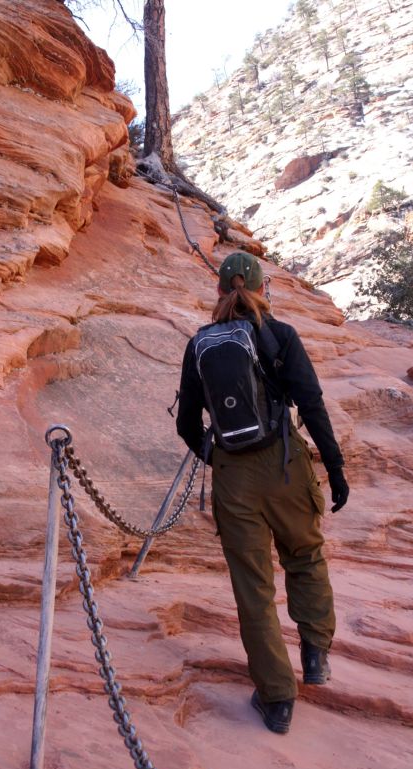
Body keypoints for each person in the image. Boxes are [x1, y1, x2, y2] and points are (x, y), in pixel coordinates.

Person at [176, 251, 349, 734]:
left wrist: (218, 457)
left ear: (218, 291)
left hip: (234, 475)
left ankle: (277, 701)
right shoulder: (280, 335)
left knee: (253, 589)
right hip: (286, 464)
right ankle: (315, 654)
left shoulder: (200, 344)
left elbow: (187, 422)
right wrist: (335, 468)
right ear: (261, 290)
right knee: (305, 555)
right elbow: (311, 404)